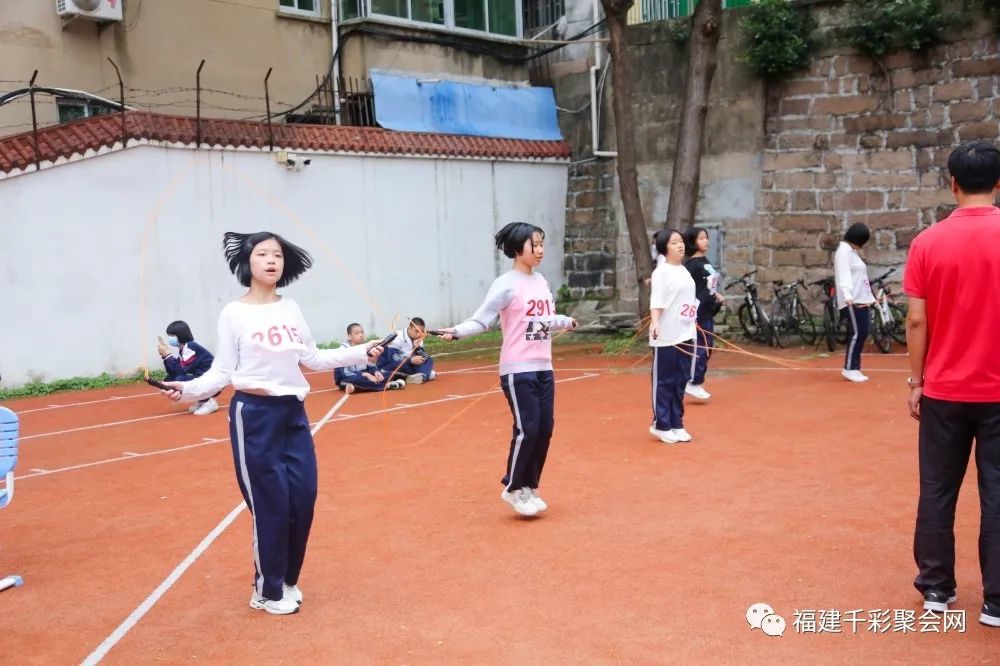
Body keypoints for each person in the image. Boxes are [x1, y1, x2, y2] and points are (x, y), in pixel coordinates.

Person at [158, 231, 385, 615]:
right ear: (247, 263)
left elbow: (312, 358)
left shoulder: (290, 308)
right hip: (255, 415)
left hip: (293, 414)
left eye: (277, 255)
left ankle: (287, 579)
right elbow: (223, 372)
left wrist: (363, 351)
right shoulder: (234, 313)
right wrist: (189, 390)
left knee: (303, 500)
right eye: (262, 254)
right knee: (271, 505)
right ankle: (266, 590)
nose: (271, 260)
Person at [904, 139, 1000, 627]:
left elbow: (917, 322)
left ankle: (937, 588)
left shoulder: (927, 242)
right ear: (999, 183)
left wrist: (916, 381)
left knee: (938, 489)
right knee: (998, 492)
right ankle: (997, 600)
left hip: (943, 389)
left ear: (953, 183)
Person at [438, 222, 576, 517]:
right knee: (528, 428)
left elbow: (547, 319)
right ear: (517, 249)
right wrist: (457, 331)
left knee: (545, 429)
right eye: (534, 245)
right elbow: (482, 320)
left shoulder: (541, 282)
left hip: (543, 367)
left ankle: (529, 486)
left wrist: (566, 321)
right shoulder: (506, 284)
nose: (540, 250)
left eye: (542, 244)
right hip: (517, 369)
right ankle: (513, 488)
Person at [649, 228, 698, 444]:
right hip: (667, 335)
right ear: (664, 248)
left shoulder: (684, 270)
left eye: (681, 241)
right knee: (665, 381)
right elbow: (656, 301)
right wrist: (655, 322)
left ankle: (677, 422)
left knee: (680, 380)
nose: (680, 245)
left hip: (686, 332)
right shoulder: (662, 272)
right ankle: (661, 424)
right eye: (674, 242)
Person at [683, 227, 725, 401]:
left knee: (707, 347)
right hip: (697, 311)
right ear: (693, 242)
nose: (706, 241)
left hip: (708, 310)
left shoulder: (706, 261)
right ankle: (692, 382)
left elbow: (709, 285)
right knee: (701, 347)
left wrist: (716, 295)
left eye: (706, 238)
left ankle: (696, 381)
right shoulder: (691, 266)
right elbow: (686, 289)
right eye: (701, 238)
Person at [834, 222, 876, 383]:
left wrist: (869, 297)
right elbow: (844, 275)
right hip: (851, 300)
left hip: (861, 298)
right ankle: (849, 368)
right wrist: (847, 294)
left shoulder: (852, 252)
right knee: (857, 333)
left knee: (863, 332)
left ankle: (855, 367)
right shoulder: (843, 253)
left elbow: (862, 278)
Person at [157, 320, 219, 415]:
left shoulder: (191, 347)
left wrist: (168, 355)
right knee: (169, 379)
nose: (170, 339)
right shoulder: (183, 349)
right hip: (203, 377)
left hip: (214, 381)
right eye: (169, 336)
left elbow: (180, 371)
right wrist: (165, 357)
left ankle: (209, 402)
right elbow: (173, 371)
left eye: (172, 336)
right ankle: (202, 400)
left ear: (181, 334)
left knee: (180, 379)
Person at [334, 323, 405, 393]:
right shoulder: (343, 350)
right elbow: (345, 373)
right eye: (357, 333)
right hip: (347, 377)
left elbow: (369, 363)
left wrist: (376, 371)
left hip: (363, 374)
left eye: (362, 332)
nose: (361, 335)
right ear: (349, 336)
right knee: (356, 379)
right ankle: (387, 386)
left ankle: (355, 388)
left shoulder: (363, 347)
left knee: (387, 374)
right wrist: (366, 375)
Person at [380, 317, 436, 385]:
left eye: (421, 331)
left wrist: (417, 348)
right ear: (410, 328)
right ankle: (424, 375)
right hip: (390, 365)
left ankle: (420, 376)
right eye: (416, 331)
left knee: (428, 359)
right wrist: (410, 360)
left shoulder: (418, 338)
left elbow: (424, 356)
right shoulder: (398, 336)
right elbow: (392, 358)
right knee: (430, 374)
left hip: (408, 364)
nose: (419, 334)